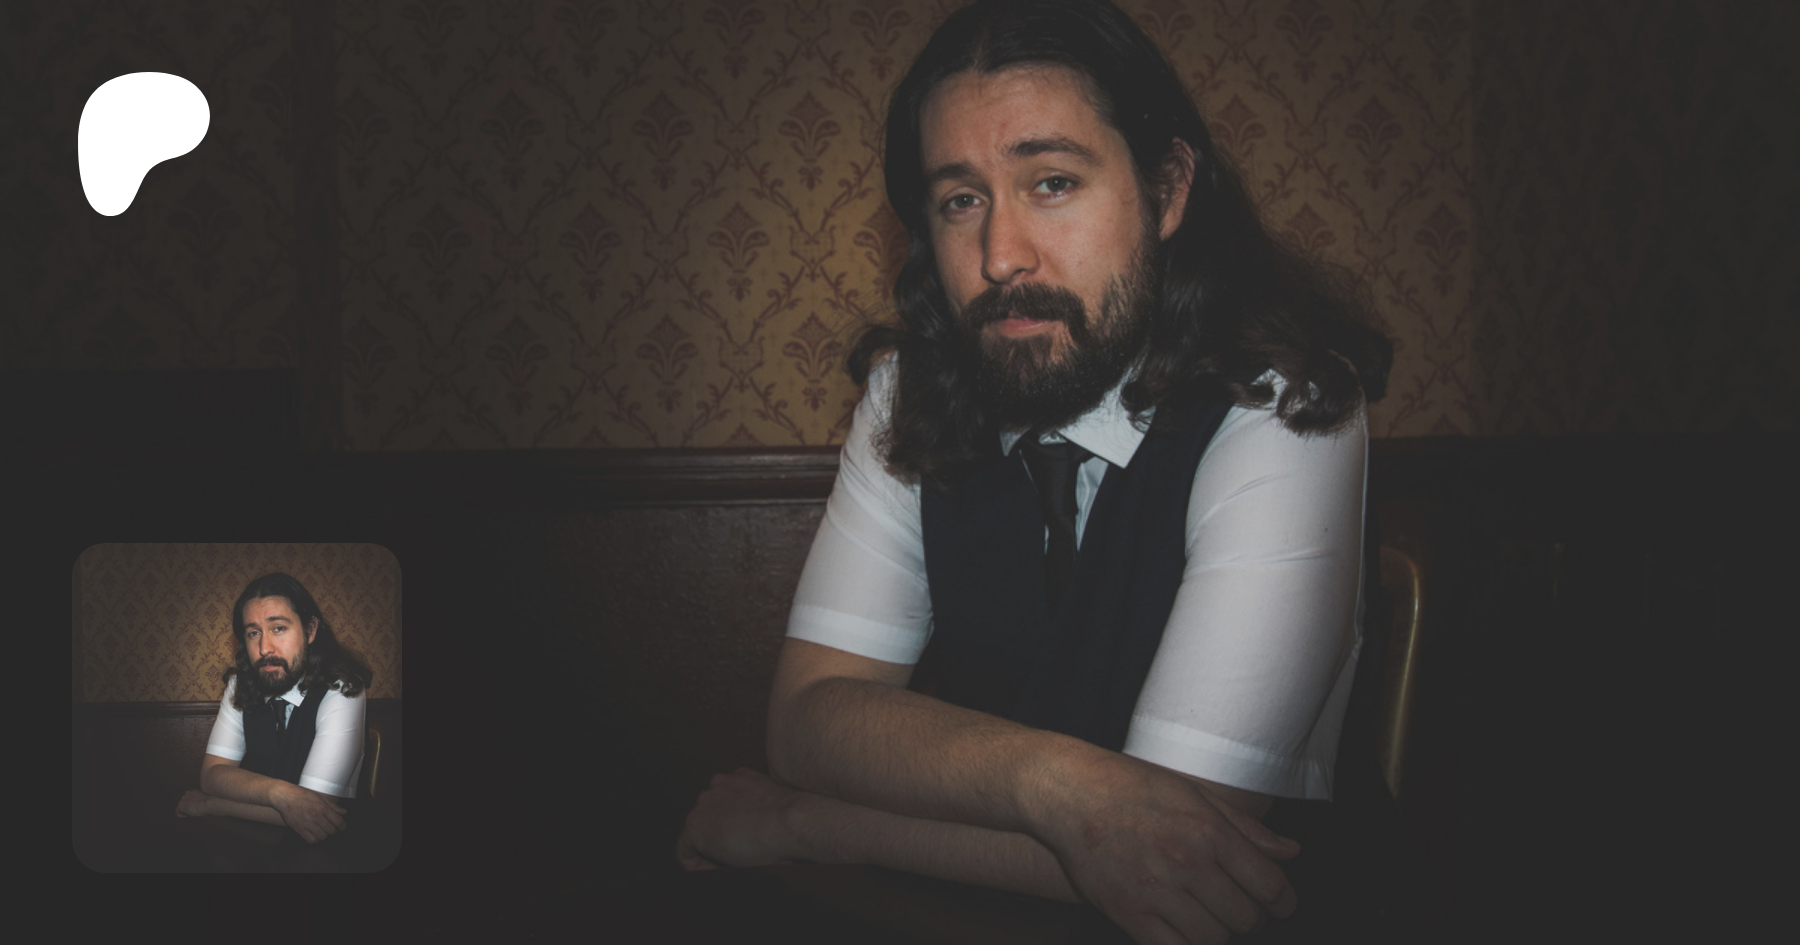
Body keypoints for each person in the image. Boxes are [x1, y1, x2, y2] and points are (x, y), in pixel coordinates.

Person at [678, 1, 1394, 941]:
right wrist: (1058, 785)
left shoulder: (1285, 406)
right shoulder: (911, 393)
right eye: (960, 199)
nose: (1000, 255)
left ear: (1167, 191)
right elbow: (807, 715)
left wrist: (802, 825)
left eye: (1052, 182)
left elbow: (1176, 850)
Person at [176, 572, 371, 848]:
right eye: (253, 633)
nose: (264, 648)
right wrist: (279, 793)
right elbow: (211, 775)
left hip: (337, 849)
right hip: (256, 844)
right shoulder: (240, 685)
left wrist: (212, 805)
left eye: (278, 628)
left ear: (310, 630)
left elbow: (314, 811)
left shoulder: (343, 689)